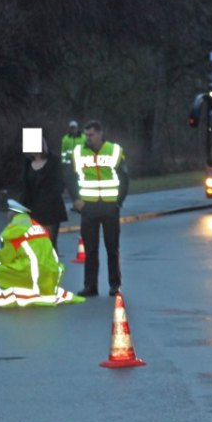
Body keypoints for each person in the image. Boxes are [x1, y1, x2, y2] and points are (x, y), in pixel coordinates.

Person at [69, 120, 129, 297]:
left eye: (91, 134)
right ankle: (90, 286)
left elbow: (124, 178)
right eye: (86, 134)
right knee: (90, 249)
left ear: (100, 133)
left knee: (112, 248)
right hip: (88, 207)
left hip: (110, 206)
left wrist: (119, 201)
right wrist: (76, 199)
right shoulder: (79, 152)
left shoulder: (114, 150)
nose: (88, 138)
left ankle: (114, 285)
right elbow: (71, 178)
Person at [20, 136, 68, 250]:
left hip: (51, 210)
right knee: (34, 245)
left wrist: (47, 199)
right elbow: (25, 187)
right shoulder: (27, 163)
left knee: (50, 244)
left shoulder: (54, 160)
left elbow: (60, 184)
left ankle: (53, 267)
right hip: (32, 209)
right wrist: (19, 208)